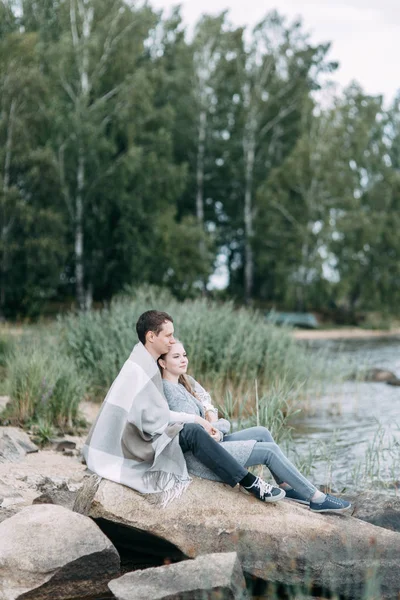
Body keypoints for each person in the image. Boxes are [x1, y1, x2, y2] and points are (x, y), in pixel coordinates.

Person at [83, 310, 286, 507]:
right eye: (168, 335)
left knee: (194, 430)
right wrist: (197, 420)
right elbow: (154, 418)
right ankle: (249, 481)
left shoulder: (148, 362)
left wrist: (206, 415)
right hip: (138, 444)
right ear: (151, 336)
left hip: (149, 433)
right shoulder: (138, 368)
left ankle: (261, 481)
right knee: (192, 431)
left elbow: (168, 406)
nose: (172, 340)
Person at [158, 340, 352, 514]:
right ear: (162, 363)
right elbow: (188, 430)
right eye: (176, 356)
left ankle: (287, 487)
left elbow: (211, 422)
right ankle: (317, 498)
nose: (184, 360)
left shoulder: (184, 385)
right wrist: (217, 427)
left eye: (184, 355)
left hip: (213, 443)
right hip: (202, 459)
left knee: (261, 432)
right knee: (269, 451)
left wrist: (217, 427)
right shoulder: (166, 390)